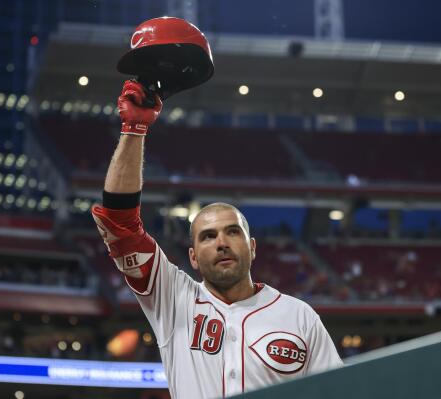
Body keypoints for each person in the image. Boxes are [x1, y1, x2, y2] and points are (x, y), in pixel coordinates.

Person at [91, 80, 342, 398]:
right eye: (208, 236)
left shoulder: (300, 316)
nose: (221, 242)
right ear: (193, 257)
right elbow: (119, 222)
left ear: (251, 248)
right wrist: (134, 127)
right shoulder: (172, 299)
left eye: (232, 232)